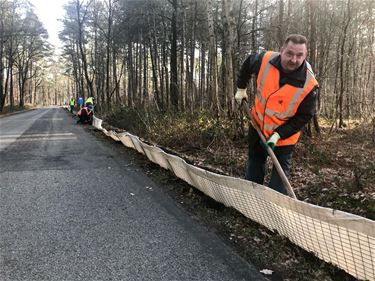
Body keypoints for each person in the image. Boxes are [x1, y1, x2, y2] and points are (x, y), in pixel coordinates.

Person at [235, 34, 318, 195]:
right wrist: (241, 88)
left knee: (279, 183)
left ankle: (275, 214)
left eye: (299, 55)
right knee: (254, 167)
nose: (293, 59)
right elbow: (247, 64)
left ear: (305, 55)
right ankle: (252, 203)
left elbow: (304, 116)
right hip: (257, 125)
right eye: (289, 53)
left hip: (284, 138)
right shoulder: (264, 60)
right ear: (282, 50)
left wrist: (279, 134)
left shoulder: (310, 85)